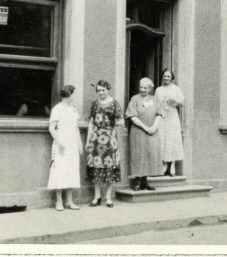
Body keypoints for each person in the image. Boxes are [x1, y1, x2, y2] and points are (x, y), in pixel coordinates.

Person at [85, 80, 123, 208]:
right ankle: (97, 197)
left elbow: (121, 121)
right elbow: (91, 122)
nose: (101, 93)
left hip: (109, 138)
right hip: (95, 139)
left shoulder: (114, 103)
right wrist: (88, 140)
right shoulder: (94, 104)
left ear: (108, 89)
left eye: (103, 90)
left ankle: (108, 197)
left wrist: (111, 125)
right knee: (96, 167)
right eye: (98, 90)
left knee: (109, 167)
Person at [47, 85, 82, 211]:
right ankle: (59, 201)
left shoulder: (73, 109)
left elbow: (76, 128)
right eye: (74, 94)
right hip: (61, 143)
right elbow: (51, 128)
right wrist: (59, 142)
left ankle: (69, 201)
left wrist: (79, 144)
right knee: (60, 171)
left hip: (72, 144)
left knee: (71, 171)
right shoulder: (57, 109)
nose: (75, 96)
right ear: (70, 95)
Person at [125, 77, 163, 191]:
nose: (142, 89)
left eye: (145, 87)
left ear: (150, 89)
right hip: (138, 131)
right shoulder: (134, 99)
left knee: (150, 153)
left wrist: (154, 127)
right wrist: (146, 127)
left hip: (152, 131)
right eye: (141, 87)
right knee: (139, 154)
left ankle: (145, 181)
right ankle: (137, 181)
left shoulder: (155, 99)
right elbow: (132, 116)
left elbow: (159, 114)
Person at [155, 69, 184, 177]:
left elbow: (182, 102)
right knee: (162, 138)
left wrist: (174, 101)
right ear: (162, 77)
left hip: (172, 116)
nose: (166, 78)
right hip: (162, 116)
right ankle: (164, 164)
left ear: (172, 77)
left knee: (172, 138)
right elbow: (156, 103)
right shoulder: (158, 90)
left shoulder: (176, 89)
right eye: (164, 76)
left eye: (168, 76)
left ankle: (172, 164)